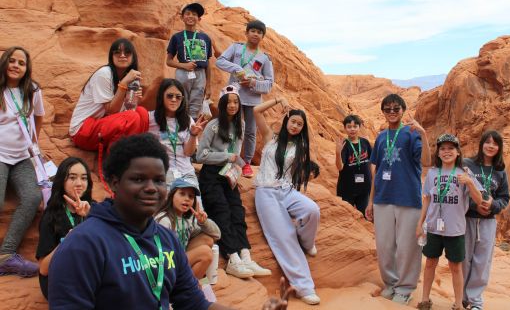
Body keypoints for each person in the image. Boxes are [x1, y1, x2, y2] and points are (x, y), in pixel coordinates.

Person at [48, 133, 292, 310]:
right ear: (113, 183)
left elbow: (194, 303)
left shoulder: (164, 239)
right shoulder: (83, 245)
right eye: (138, 179)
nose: (151, 188)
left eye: (159, 180)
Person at [196, 85, 270, 279]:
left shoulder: (241, 125)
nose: (233, 105)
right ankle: (232, 258)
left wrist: (236, 166)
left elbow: (236, 153)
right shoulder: (213, 125)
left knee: (237, 211)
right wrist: (225, 157)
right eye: (228, 102)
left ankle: (245, 255)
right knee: (221, 211)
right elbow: (200, 155)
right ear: (222, 104)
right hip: (211, 175)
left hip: (229, 175)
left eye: (236, 102)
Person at [253, 96, 321, 305]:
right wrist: (278, 100)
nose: (295, 126)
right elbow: (256, 111)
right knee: (284, 235)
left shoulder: (299, 147)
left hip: (287, 191)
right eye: (293, 122)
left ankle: (307, 242)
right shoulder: (270, 137)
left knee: (312, 210)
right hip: (266, 192)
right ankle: (304, 287)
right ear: (286, 121)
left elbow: (295, 170)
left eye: (300, 124)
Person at [365, 93, 431, 305]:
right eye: (388, 109)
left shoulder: (411, 134)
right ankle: (391, 283)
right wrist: (370, 201)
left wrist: (424, 135)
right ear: (383, 112)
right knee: (384, 245)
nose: (392, 112)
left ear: (403, 110)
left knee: (408, 246)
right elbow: (377, 170)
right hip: (383, 197)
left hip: (408, 198)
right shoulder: (382, 137)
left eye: (396, 109)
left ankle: (405, 287)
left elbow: (427, 161)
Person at [415, 134, 485, 310]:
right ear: (438, 153)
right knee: (430, 262)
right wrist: (419, 224)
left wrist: (469, 182)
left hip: (455, 229)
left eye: (450, 148)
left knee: (455, 267)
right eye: (443, 149)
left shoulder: (465, 173)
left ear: (458, 152)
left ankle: (458, 304)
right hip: (433, 228)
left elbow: (479, 200)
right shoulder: (432, 173)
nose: (446, 152)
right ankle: (424, 299)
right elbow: (427, 199)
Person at [0, 46, 44, 277]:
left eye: (21, 62)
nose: (16, 65)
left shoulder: (33, 90)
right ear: (5, 63)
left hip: (21, 156)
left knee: (33, 197)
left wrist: (32, 145)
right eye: (12, 61)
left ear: (27, 68)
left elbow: (38, 117)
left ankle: (6, 256)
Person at [216, 19, 274, 178]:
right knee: (230, 128)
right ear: (247, 33)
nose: (256, 34)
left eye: (259, 32)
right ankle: (226, 159)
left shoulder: (264, 58)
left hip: (253, 100)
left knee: (250, 132)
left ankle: (246, 163)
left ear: (263, 36)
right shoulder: (236, 48)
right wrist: (237, 69)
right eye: (253, 31)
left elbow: (269, 84)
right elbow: (219, 61)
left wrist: (253, 83)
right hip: (234, 97)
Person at [69, 38, 149, 153]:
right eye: (117, 52)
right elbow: (112, 111)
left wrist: (133, 98)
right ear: (111, 56)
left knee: (142, 113)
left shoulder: (131, 77)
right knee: (133, 117)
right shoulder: (104, 73)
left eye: (127, 52)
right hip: (83, 130)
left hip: (104, 125)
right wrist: (123, 84)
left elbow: (127, 111)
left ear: (133, 57)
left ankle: (131, 155)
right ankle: (116, 161)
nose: (122, 55)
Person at [462, 131, 510, 310]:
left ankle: (475, 301)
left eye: (495, 143)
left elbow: (504, 198)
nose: (491, 146)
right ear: (481, 144)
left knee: (482, 261)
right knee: (464, 259)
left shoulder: (500, 171)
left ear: (499, 148)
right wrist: (475, 205)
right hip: (467, 219)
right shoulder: (467, 164)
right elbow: (458, 191)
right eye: (488, 142)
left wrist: (492, 205)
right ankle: (461, 298)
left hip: (488, 221)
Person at [36, 157, 93, 299]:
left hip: (89, 273)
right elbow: (43, 269)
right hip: (60, 278)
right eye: (72, 178)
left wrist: (90, 218)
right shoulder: (51, 217)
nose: (79, 183)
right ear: (62, 181)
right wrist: (66, 242)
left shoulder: (94, 209)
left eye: (84, 178)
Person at [156, 176, 221, 279]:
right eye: (182, 194)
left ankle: (190, 282)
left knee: (207, 239)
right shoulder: (164, 220)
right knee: (205, 253)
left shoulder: (188, 219)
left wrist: (203, 222)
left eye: (191, 196)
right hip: (164, 265)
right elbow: (161, 254)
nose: (186, 198)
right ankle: (186, 287)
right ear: (171, 195)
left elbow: (217, 235)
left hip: (179, 260)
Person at [148, 78, 207, 186]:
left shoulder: (188, 120)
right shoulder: (150, 118)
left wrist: (193, 135)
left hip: (186, 172)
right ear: (162, 96)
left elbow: (188, 153)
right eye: (170, 96)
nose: (174, 100)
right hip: (162, 173)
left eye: (178, 97)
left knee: (194, 202)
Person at [166, 2, 213, 119]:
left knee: (195, 105)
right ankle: (179, 130)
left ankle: (191, 132)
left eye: (194, 14)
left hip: (200, 73)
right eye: (187, 13)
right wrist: (184, 66)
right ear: (182, 17)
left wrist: (209, 85)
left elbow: (208, 63)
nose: (191, 16)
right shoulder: (177, 37)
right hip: (183, 73)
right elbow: (169, 61)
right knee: (181, 101)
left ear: (199, 18)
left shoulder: (205, 38)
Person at [335, 114, 372, 216]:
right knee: (347, 217)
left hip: (364, 188)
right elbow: (340, 167)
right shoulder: (344, 145)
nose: (352, 129)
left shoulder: (365, 142)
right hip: (347, 189)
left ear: (359, 127)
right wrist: (338, 153)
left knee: (365, 216)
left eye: (355, 126)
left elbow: (372, 162)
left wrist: (373, 180)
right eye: (349, 127)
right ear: (345, 128)